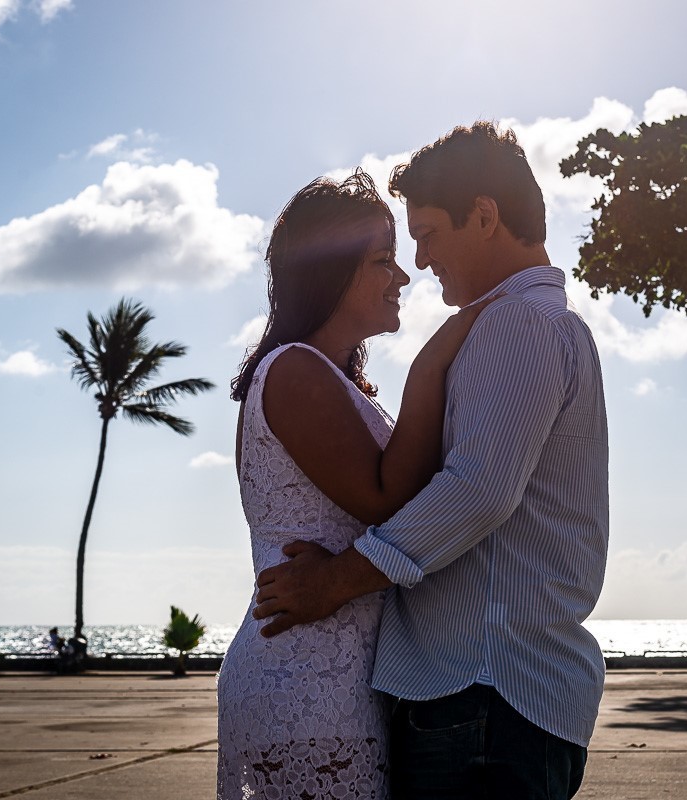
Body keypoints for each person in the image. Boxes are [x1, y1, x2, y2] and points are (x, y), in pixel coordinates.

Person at [253, 122, 610, 800]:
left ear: (484, 216)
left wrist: (333, 583)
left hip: (481, 695)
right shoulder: (532, 322)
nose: (419, 259)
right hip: (489, 700)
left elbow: (478, 492)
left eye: (427, 234)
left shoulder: (518, 323)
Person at [216, 170, 490, 799]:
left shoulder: (320, 375)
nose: (403, 276)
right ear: (332, 272)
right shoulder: (295, 371)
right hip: (305, 683)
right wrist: (432, 363)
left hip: (333, 677)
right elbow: (388, 499)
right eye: (383, 260)